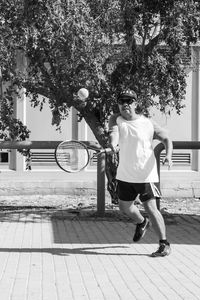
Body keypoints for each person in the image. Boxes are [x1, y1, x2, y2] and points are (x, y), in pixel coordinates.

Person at [108, 89, 173, 257]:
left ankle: (164, 244)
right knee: (124, 207)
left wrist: (169, 156)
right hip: (125, 174)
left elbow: (166, 138)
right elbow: (114, 135)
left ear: (135, 104)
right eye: (122, 101)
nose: (125, 104)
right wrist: (113, 146)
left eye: (129, 101)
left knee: (151, 207)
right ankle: (142, 222)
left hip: (146, 175)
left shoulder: (148, 123)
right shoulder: (116, 119)